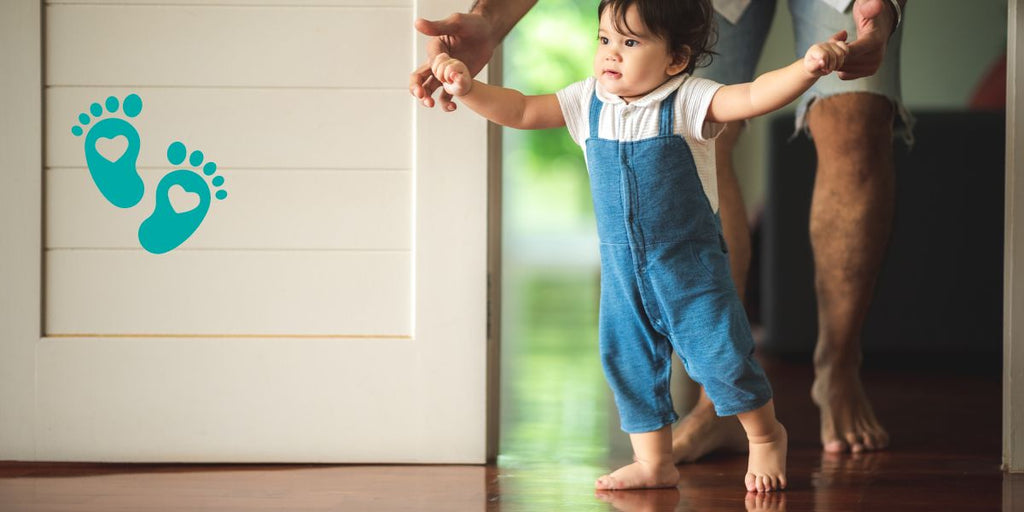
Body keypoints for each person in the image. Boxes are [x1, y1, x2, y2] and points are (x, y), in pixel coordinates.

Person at [410, 0, 906, 458]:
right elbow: (518, 109)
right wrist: (468, 88)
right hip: (623, 274)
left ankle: (765, 435)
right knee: (628, 365)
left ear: (675, 60)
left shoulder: (689, 99)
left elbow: (754, 95)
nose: (610, 54)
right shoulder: (586, 101)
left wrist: (808, 68)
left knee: (723, 357)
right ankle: (652, 464)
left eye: (630, 43)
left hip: (689, 269)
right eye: (604, 40)